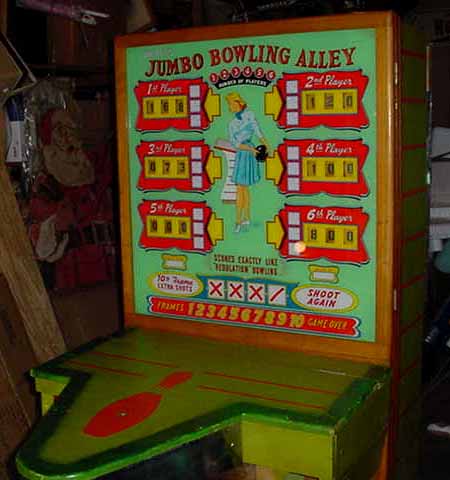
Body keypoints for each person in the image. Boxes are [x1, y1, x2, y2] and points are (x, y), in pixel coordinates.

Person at [225, 92, 269, 233]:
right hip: (243, 153)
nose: (230, 106)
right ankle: (242, 219)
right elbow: (235, 144)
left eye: (231, 103)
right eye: (229, 104)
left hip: (250, 153)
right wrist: (251, 149)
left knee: (243, 188)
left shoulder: (249, 115)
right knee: (241, 188)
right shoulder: (231, 124)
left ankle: (242, 220)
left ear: (239, 102)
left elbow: (258, 132)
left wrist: (267, 146)